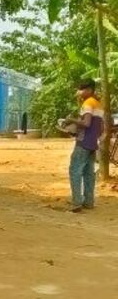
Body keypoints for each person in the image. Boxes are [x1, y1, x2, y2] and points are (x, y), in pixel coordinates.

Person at [64, 79, 104, 213]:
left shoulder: (88, 103)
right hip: (93, 143)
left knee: (74, 170)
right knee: (88, 173)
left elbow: (86, 124)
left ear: (89, 90)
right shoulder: (99, 104)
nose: (79, 92)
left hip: (83, 142)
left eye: (82, 89)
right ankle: (89, 202)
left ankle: (76, 202)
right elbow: (100, 127)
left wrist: (71, 120)